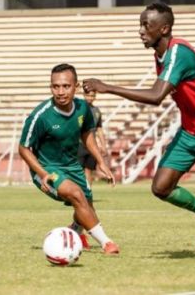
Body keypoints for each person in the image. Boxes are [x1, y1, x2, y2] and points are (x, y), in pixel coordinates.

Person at [83, 2, 195, 263]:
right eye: (140, 24)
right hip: (191, 132)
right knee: (161, 187)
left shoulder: (179, 52)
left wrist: (106, 87)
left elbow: (157, 96)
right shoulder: (160, 55)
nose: (141, 31)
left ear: (164, 28)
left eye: (147, 25)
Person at [19, 63, 119, 255]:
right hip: (47, 168)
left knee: (86, 206)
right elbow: (23, 148)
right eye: (55, 86)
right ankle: (108, 243)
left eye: (66, 86)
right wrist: (42, 173)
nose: (60, 91)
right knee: (76, 194)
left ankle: (75, 231)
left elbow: (87, 135)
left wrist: (100, 161)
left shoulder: (83, 108)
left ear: (76, 87)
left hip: (71, 165)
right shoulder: (40, 116)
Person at [77, 90, 108, 187]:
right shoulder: (78, 109)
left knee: (89, 170)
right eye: (88, 95)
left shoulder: (97, 111)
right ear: (84, 95)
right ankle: (76, 194)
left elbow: (99, 129)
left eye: (92, 96)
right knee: (78, 170)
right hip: (79, 144)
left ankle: (87, 194)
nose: (90, 98)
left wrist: (103, 145)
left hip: (92, 145)